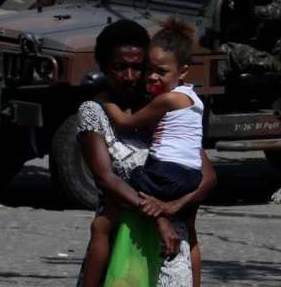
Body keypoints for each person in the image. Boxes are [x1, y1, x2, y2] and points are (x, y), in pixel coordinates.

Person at [77, 19, 218, 287]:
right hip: (123, 243)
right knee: (102, 224)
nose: (130, 76)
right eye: (120, 67)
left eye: (137, 67)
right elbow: (107, 179)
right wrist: (161, 217)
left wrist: (173, 207)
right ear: (103, 67)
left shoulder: (164, 108)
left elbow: (208, 177)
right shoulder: (94, 111)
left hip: (171, 248)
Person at [99, 18, 204, 250]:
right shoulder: (193, 99)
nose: (152, 77)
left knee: (130, 174)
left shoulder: (168, 100)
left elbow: (126, 123)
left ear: (183, 71)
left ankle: (160, 219)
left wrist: (105, 102)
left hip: (168, 172)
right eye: (149, 70)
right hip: (191, 176)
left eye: (161, 72)